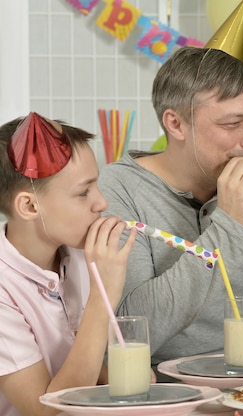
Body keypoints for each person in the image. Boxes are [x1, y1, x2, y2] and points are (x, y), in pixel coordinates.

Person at [97, 46, 243, 371]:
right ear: (176, 124)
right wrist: (230, 227)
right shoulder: (117, 190)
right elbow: (132, 331)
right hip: (167, 399)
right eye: (233, 123)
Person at [0, 113, 136, 416]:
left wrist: (115, 376)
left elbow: (68, 350)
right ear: (30, 206)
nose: (101, 203)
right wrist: (103, 296)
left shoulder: (74, 254)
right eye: (83, 192)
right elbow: (47, 411)